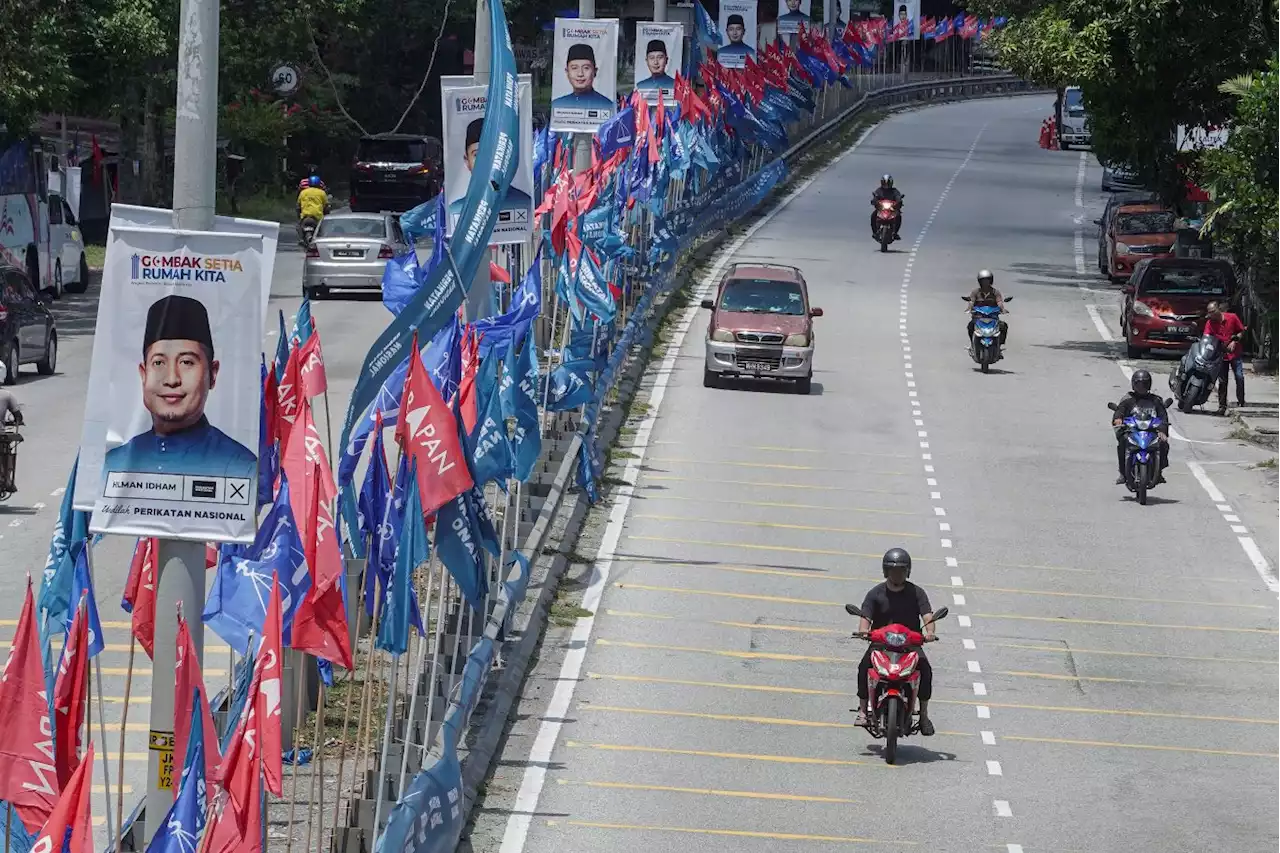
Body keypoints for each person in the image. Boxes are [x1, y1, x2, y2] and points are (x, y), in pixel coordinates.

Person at [102, 295, 257, 483]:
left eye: (186, 362)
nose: (172, 379)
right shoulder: (110, 466)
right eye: (158, 362)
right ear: (144, 375)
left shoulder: (240, 468)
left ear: (212, 374)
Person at [854, 548, 936, 736]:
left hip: (910, 645)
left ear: (907, 572)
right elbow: (865, 617)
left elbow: (927, 616)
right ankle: (862, 711)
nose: (897, 574)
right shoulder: (875, 593)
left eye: (901, 571)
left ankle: (923, 715)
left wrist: (930, 632)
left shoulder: (917, 593)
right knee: (863, 667)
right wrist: (863, 631)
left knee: (926, 670)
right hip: (880, 644)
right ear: (886, 572)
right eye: (893, 571)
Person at [448, 118, 533, 217]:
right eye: (477, 154)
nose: (484, 161)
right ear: (467, 161)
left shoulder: (523, 202)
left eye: (490, 153)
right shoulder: (457, 209)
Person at [1111, 368, 1169, 485]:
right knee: (1123, 443)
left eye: (1144, 384)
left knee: (1163, 444)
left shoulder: (1155, 400)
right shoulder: (1128, 399)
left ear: (1149, 385)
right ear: (1133, 384)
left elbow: (1163, 416)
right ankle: (1123, 473)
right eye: (1138, 384)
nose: (1141, 387)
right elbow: (1120, 411)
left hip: (1151, 430)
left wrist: (1162, 430)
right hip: (1132, 430)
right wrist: (1118, 419)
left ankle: (1159, 472)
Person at [1204, 300, 1247, 414]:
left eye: (1213, 311)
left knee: (1239, 376)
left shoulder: (1232, 317)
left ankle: (1241, 400)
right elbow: (1207, 337)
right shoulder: (1210, 323)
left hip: (1234, 353)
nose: (1211, 314)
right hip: (1221, 355)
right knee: (1222, 381)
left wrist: (1235, 341)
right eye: (1209, 313)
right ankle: (1222, 406)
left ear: (1218, 309)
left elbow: (1241, 331)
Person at [552, 43, 615, 111]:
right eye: (574, 68)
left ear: (595, 71)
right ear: (567, 72)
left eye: (586, 68)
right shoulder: (557, 105)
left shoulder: (606, 105)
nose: (580, 74)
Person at [965, 269, 1008, 346]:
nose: (985, 282)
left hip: (992, 317)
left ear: (991, 281)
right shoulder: (975, 292)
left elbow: (999, 301)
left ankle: (999, 344)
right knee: (970, 326)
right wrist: (969, 308)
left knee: (1003, 326)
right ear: (980, 281)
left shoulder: (995, 292)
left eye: (987, 280)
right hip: (978, 317)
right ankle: (973, 343)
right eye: (983, 280)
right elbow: (972, 301)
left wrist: (1002, 309)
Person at [296, 175, 330, 244]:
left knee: (298, 227)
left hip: (305, 217)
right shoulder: (322, 193)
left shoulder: (303, 192)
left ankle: (301, 239)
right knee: (321, 231)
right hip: (318, 217)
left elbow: (298, 205)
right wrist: (327, 213)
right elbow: (326, 206)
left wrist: (299, 216)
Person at [870, 174, 904, 241]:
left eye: (888, 183)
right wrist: (874, 201)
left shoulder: (894, 191)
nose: (886, 185)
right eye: (884, 183)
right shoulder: (879, 190)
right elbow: (875, 198)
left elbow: (898, 197)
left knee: (898, 216)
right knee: (873, 215)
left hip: (892, 209)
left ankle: (895, 233)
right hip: (881, 209)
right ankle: (875, 232)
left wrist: (898, 202)